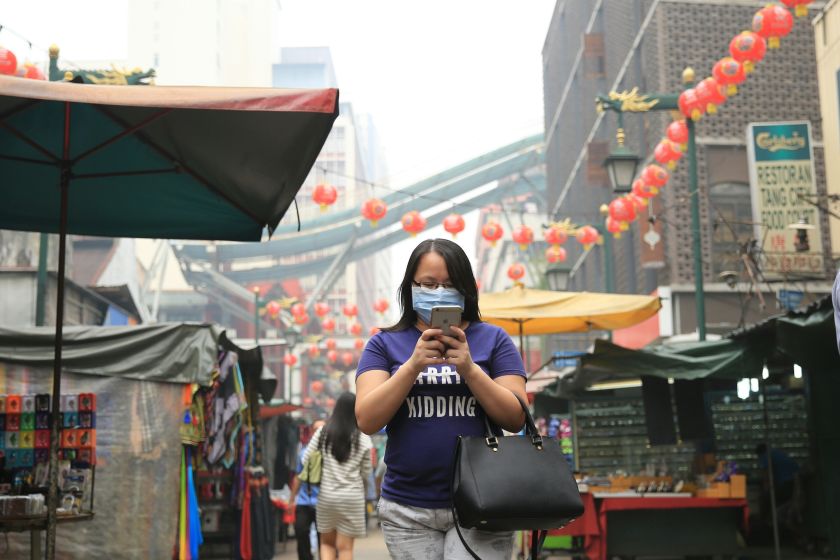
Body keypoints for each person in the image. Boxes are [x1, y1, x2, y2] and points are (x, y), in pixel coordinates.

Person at [355, 238, 527, 559]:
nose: (438, 292)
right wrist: (413, 365)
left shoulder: (493, 339)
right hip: (408, 509)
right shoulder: (383, 344)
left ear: (466, 289)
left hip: (484, 500)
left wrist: (470, 369)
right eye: (429, 284)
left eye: (449, 284)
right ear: (411, 286)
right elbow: (367, 418)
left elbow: (515, 416)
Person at [302, 392, 372, 560]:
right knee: (345, 548)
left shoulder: (322, 433)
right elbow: (367, 471)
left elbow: (306, 459)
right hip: (352, 497)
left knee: (326, 544)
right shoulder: (362, 437)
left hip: (327, 496)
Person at [289, 419, 326, 560]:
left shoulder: (331, 453)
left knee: (323, 536)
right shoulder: (304, 453)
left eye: (322, 429)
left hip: (324, 502)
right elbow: (298, 477)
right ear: (311, 432)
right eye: (316, 429)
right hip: (305, 501)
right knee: (300, 531)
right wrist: (291, 500)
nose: (319, 432)